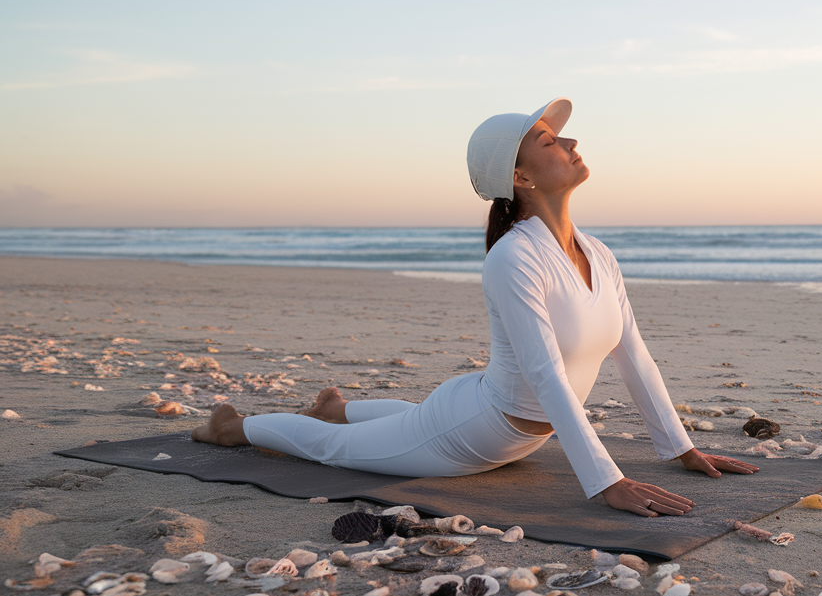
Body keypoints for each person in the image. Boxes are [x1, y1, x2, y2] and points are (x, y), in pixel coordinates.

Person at [192, 97, 758, 516]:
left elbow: (633, 353)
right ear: (520, 177)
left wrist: (680, 449)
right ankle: (233, 426)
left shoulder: (598, 254)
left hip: (501, 424)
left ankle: (337, 406)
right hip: (469, 433)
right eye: (550, 142)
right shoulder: (513, 259)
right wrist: (606, 482)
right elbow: (545, 374)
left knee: (403, 422)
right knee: (337, 451)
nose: (572, 144)